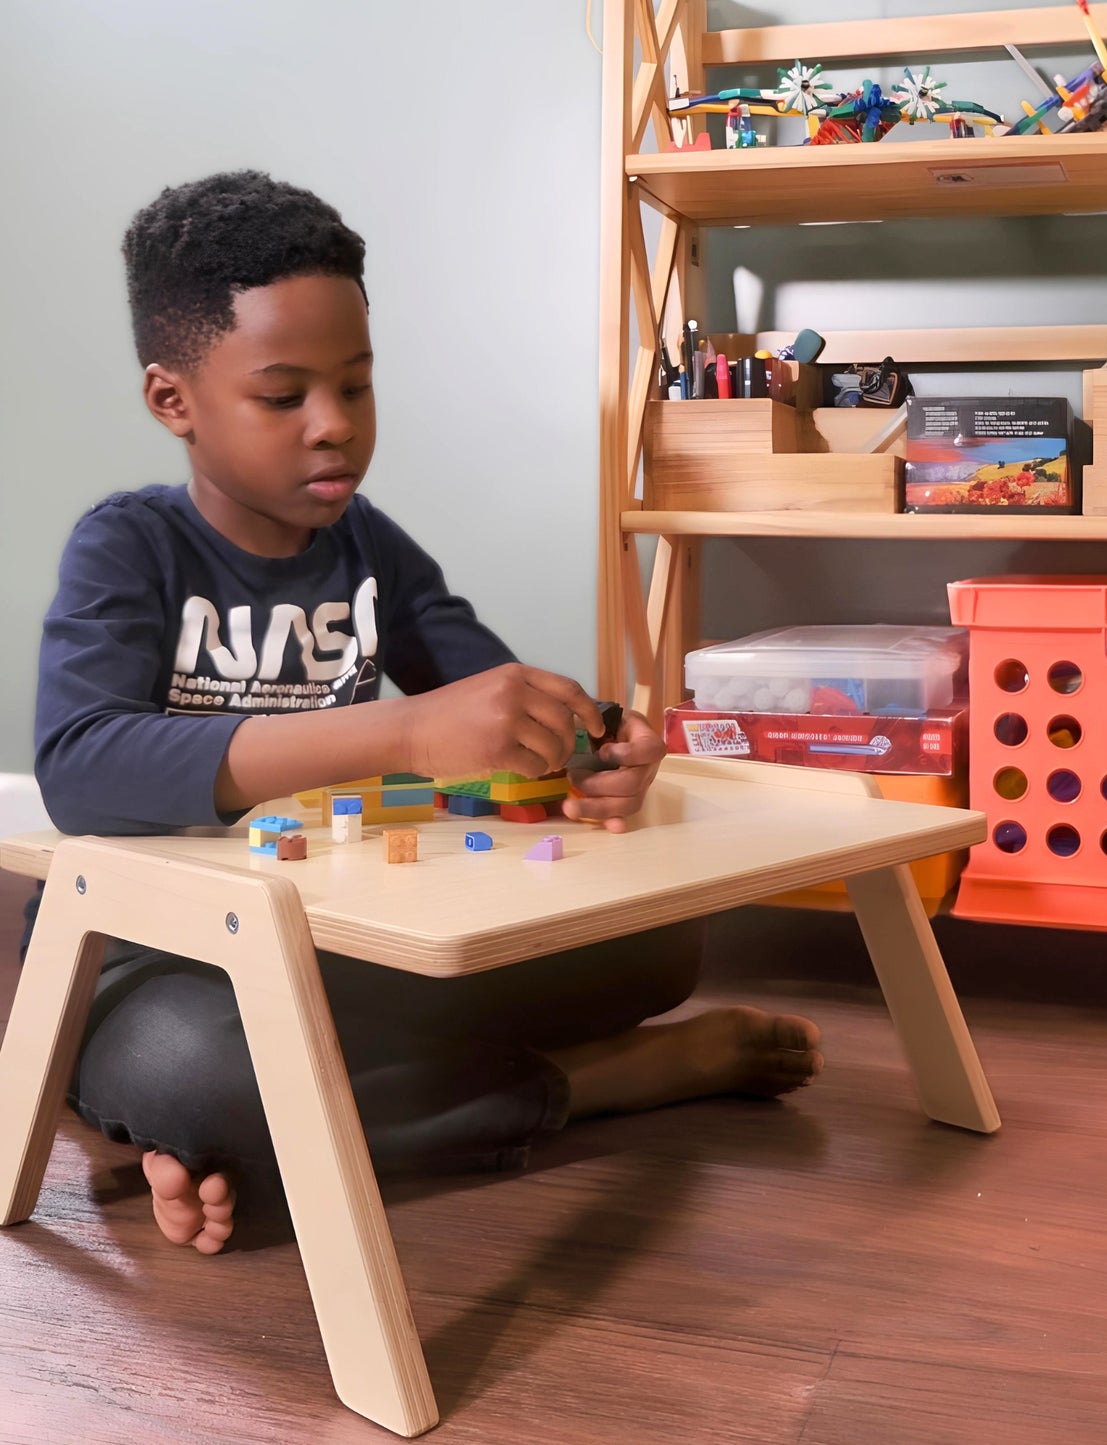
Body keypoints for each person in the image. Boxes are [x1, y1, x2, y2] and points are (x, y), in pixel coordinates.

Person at [25, 170, 822, 1254]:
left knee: (655, 952)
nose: (332, 427)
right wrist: (400, 730)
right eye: (283, 394)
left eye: (355, 387)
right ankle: (593, 1083)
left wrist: (590, 745)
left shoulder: (370, 550)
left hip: (340, 937)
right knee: (209, 1072)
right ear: (175, 401)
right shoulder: (128, 546)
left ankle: (266, 1140)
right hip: (155, 958)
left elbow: (496, 707)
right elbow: (81, 765)